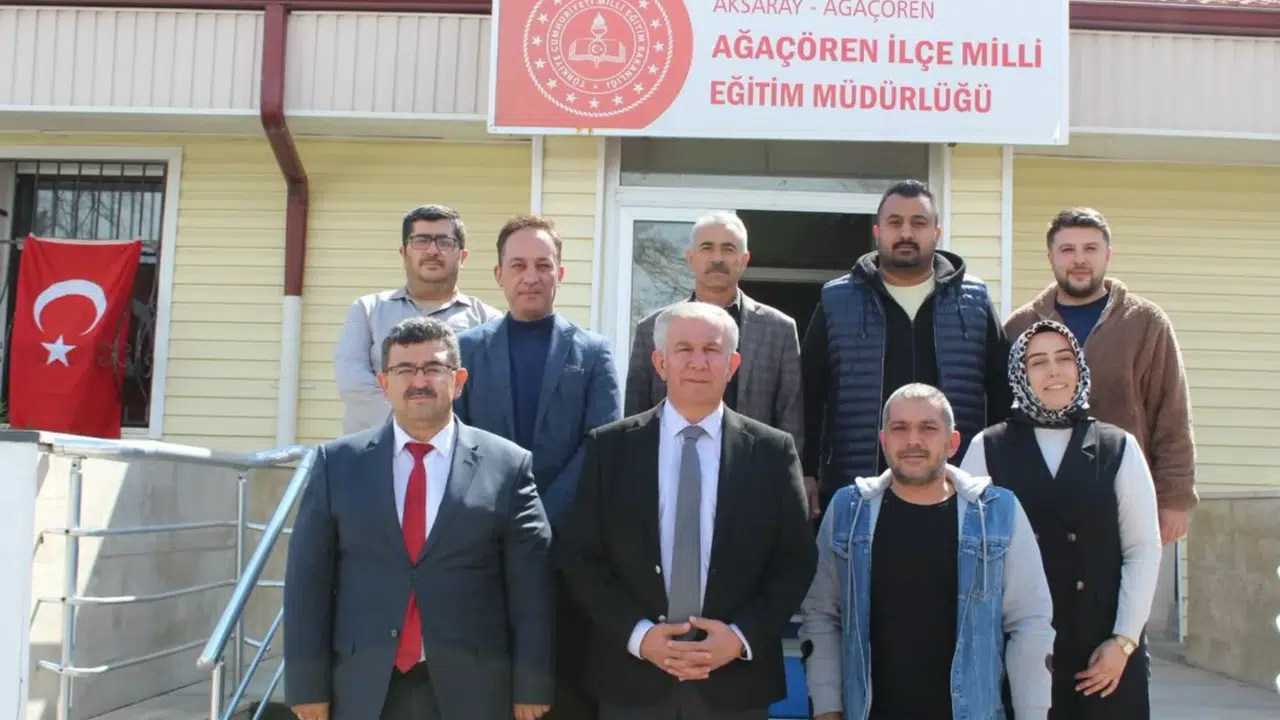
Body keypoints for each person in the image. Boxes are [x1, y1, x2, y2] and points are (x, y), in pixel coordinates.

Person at [285, 317, 553, 720]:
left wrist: (532, 685)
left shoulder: (508, 466)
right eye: (404, 369)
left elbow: (531, 589)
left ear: (458, 380)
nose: (419, 381)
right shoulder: (336, 464)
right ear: (384, 383)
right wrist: (306, 686)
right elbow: (308, 583)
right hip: (362, 686)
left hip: (473, 688)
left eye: (433, 368)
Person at [562, 302, 817, 720]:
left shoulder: (772, 452)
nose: (699, 362)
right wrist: (639, 636)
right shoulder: (609, 448)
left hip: (735, 683)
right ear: (660, 363)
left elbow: (795, 561)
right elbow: (581, 557)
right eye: (684, 349)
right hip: (632, 679)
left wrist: (740, 637)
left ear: (732, 364)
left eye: (712, 350)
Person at [800, 383, 1055, 720]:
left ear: (952, 442)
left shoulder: (997, 513)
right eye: (900, 428)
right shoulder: (848, 511)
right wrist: (826, 709)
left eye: (928, 428)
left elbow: (1029, 621)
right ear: (883, 441)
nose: (913, 440)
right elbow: (821, 615)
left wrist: (1033, 713)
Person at [455, 214, 622, 719]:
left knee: (564, 689)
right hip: (485, 546)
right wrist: (500, 516)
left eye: (543, 265)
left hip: (566, 550)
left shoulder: (593, 353)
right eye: (519, 265)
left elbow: (601, 444)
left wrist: (539, 517)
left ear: (560, 273)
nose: (531, 276)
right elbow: (456, 439)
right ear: (498, 274)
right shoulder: (465, 351)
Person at [961, 320, 1163, 719]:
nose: (1053, 371)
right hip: (1017, 654)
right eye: (1038, 362)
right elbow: (967, 552)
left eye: (1064, 358)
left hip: (1103, 656)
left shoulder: (1119, 447)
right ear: (1020, 374)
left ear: (1079, 366)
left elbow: (1143, 548)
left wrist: (1123, 642)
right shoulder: (988, 447)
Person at [801, 180, 1012, 516]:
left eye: (919, 223)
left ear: (936, 233)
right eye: (895, 222)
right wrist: (807, 469)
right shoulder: (836, 300)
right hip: (858, 487)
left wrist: (1000, 469)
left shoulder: (973, 301)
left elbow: (1001, 392)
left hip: (956, 489)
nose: (906, 233)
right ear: (877, 232)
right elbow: (809, 395)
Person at [1004, 207, 1196, 544]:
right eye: (1067, 249)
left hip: (1125, 495)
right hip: (1038, 504)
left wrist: (1174, 498)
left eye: (1090, 248)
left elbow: (1172, 413)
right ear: (1050, 257)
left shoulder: (1146, 322)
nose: (1079, 259)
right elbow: (1002, 415)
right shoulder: (1020, 327)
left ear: (1107, 254)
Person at [625, 212, 805, 506]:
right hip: (672, 484)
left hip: (753, 485)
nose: (717, 258)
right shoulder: (652, 329)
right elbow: (636, 416)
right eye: (707, 248)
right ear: (690, 258)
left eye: (728, 249)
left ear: (744, 260)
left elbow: (791, 418)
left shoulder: (779, 330)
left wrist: (786, 486)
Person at [334, 204, 502, 434]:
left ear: (462, 256)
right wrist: (416, 423)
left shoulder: (488, 321)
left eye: (445, 242)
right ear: (403, 253)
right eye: (421, 241)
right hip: (375, 448)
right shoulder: (367, 310)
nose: (432, 250)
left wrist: (441, 433)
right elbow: (353, 382)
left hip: (456, 449)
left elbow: (489, 392)